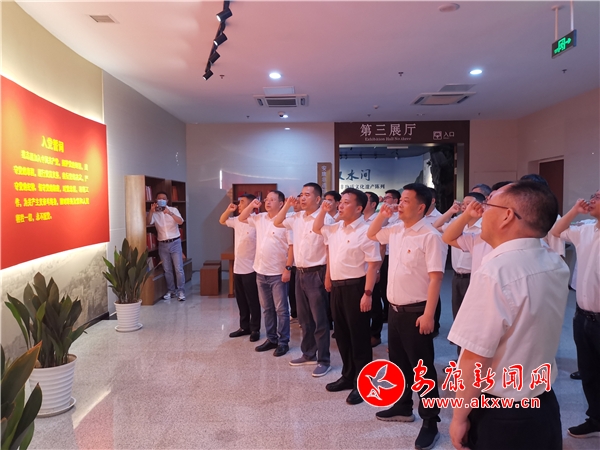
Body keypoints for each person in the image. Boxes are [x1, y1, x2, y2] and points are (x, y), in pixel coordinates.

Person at [448, 181, 569, 450]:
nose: (481, 211)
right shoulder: (554, 262)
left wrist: (459, 416)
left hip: (503, 414)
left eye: (488, 203)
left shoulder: (496, 272)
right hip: (543, 404)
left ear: (507, 216)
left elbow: (475, 358)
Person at [368, 183, 447, 450]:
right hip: (395, 310)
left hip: (417, 312)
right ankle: (403, 406)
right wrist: (383, 214)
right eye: (399, 200)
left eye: (405, 201)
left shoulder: (430, 235)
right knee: (399, 363)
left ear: (421, 207)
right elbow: (372, 233)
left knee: (422, 369)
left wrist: (429, 315)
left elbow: (436, 278)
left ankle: (430, 421)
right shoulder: (396, 230)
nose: (399, 204)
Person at [313, 188, 381, 405]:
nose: (340, 205)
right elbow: (316, 228)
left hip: (357, 288)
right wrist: (323, 211)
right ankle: (348, 375)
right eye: (340, 202)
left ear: (359, 208)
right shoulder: (335, 228)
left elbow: (373, 265)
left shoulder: (367, 231)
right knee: (341, 335)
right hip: (338, 288)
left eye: (346, 202)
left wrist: (367, 293)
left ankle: (363, 383)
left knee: (358, 337)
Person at [550, 191, 600, 439]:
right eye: (593, 195)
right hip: (583, 316)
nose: (592, 200)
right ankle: (596, 418)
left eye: (598, 197)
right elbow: (556, 231)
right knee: (589, 372)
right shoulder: (587, 229)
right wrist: (574, 211)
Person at [274, 183, 333, 377]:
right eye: (301, 194)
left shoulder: (326, 218)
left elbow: (329, 249)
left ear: (318, 199)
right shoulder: (296, 217)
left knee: (320, 319)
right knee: (304, 318)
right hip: (300, 272)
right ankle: (308, 353)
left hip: (317, 272)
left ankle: (324, 360)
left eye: (307, 194)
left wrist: (328, 276)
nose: (302, 198)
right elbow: (277, 221)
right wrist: (287, 205)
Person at [239, 190, 293, 357]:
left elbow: (292, 247)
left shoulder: (286, 221)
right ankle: (271, 339)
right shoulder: (260, 218)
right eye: (266, 200)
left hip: (278, 272)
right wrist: (251, 206)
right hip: (261, 271)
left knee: (281, 309)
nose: (267, 202)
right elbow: (241, 218)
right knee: (267, 308)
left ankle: (283, 342)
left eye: (272, 200)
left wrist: (288, 268)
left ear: (281, 203)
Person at [433, 192, 485, 356]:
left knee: (473, 321)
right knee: (459, 318)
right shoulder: (457, 223)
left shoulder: (484, 227)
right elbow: (435, 226)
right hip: (457, 276)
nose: (465, 206)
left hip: (474, 278)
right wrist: (451, 211)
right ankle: (460, 357)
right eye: (464, 203)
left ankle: (470, 358)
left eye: (469, 203)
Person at [219, 194, 261, 342]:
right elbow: (222, 220)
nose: (239, 204)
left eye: (242, 202)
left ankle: (255, 329)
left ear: (251, 204)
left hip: (252, 268)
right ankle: (244, 327)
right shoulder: (237, 220)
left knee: (252, 300)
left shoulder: (257, 220)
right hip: (238, 267)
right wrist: (228, 210)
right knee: (241, 300)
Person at [146, 191, 185, 300]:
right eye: (159, 198)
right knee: (167, 269)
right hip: (162, 244)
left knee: (178, 268)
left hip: (175, 242)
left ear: (167, 201)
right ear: (156, 200)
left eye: (164, 198)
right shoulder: (155, 213)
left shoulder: (173, 210)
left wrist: (170, 213)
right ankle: (171, 291)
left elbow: (180, 222)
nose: (161, 200)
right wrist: (151, 211)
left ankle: (181, 291)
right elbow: (148, 222)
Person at [364, 191, 385, 347]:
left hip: (373, 266)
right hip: (360, 268)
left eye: (365, 199)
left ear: (373, 204)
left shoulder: (378, 220)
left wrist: (378, 269)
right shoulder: (357, 219)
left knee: (375, 302)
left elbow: (382, 247)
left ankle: (375, 334)